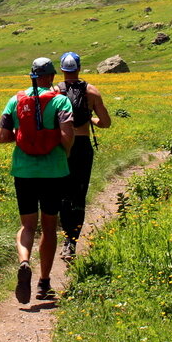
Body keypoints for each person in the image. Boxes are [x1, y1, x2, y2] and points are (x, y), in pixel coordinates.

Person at [0, 57, 74, 303]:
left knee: (27, 225)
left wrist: (22, 139)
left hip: (24, 171)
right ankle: (44, 283)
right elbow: (67, 135)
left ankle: (24, 261)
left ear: (31, 75)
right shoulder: (61, 100)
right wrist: (65, 154)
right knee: (50, 227)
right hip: (54, 172)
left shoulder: (15, 100)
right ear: (51, 76)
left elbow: (1, 136)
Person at [55, 51, 111, 261]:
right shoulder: (92, 92)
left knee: (62, 193)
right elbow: (105, 123)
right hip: (82, 146)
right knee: (79, 194)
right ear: (78, 68)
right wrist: (90, 120)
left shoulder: (54, 92)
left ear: (62, 69)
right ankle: (71, 241)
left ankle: (60, 236)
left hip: (61, 145)